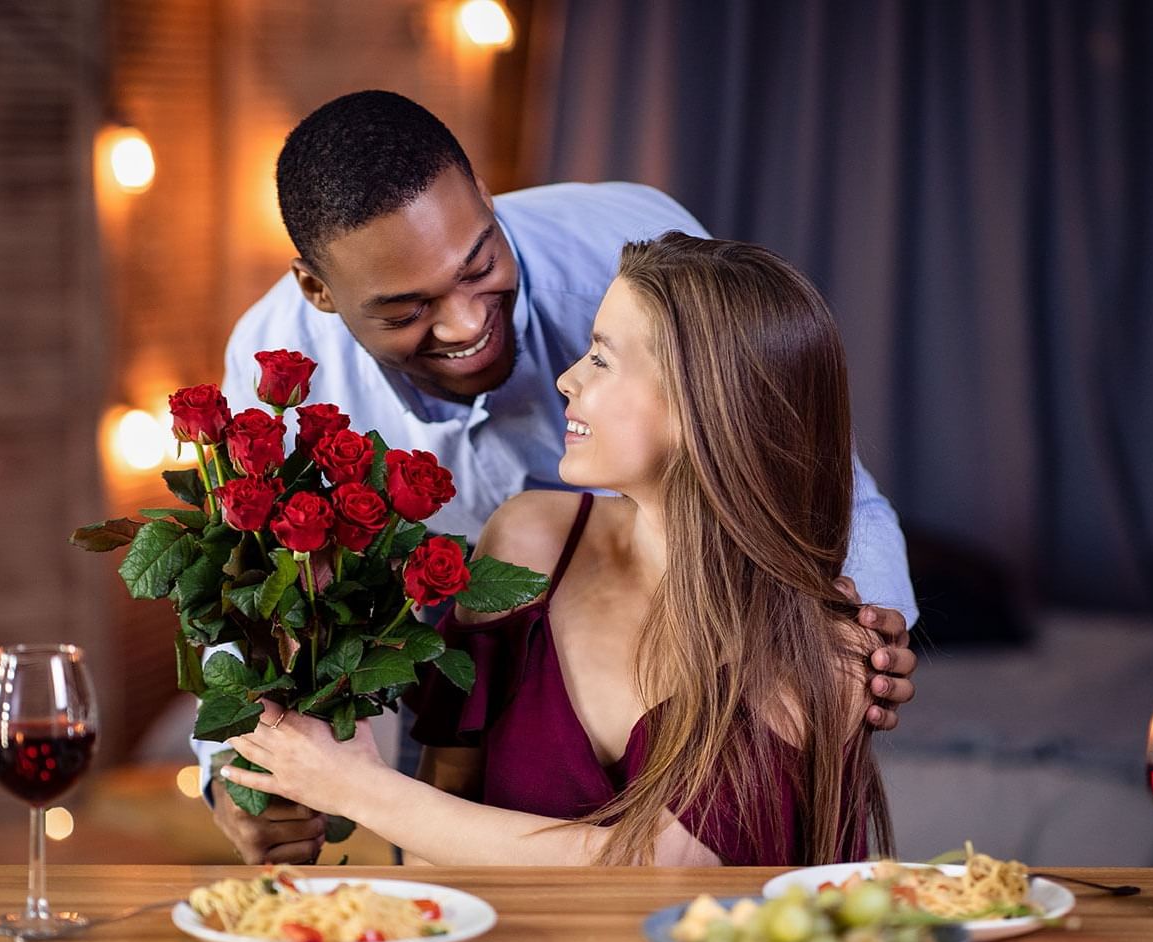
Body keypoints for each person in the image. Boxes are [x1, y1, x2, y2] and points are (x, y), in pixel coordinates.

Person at [200, 90, 917, 864]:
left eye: (479, 267)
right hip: (483, 638)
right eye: (407, 309)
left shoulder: (618, 260)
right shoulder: (286, 366)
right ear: (318, 291)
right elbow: (247, 592)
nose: (467, 324)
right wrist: (240, 776)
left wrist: (860, 641)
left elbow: (812, 468)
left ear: (486, 198)